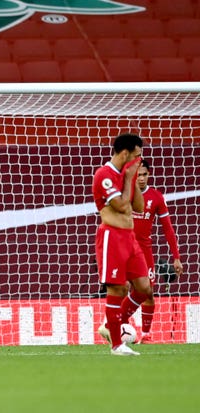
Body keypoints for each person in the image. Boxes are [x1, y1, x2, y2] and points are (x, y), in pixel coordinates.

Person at [92, 133, 153, 356]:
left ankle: (112, 326)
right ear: (125, 153)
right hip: (112, 236)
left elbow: (138, 206)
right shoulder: (104, 175)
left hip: (129, 238)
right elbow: (119, 205)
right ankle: (116, 344)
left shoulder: (128, 173)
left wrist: (132, 176)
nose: (139, 160)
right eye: (137, 156)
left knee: (144, 287)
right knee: (116, 288)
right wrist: (128, 179)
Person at [132, 159, 184, 343]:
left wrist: (176, 257)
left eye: (144, 174)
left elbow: (168, 229)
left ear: (149, 175)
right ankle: (115, 327)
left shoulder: (156, 197)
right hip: (124, 249)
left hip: (145, 253)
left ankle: (145, 334)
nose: (141, 178)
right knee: (120, 290)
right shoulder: (125, 194)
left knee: (148, 293)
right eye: (138, 174)